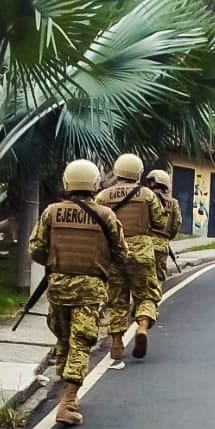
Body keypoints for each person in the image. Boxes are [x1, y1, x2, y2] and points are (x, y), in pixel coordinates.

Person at [29, 160, 127, 427]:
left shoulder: (52, 212)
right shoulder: (105, 215)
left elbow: (36, 249)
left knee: (64, 340)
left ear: (67, 183)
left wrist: (56, 264)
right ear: (95, 184)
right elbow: (121, 252)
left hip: (58, 287)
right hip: (89, 289)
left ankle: (65, 389)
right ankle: (68, 401)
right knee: (81, 342)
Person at [96, 153, 167, 361]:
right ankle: (142, 326)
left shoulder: (104, 196)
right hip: (142, 251)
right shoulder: (147, 195)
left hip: (115, 252)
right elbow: (160, 222)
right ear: (138, 172)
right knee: (146, 295)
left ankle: (117, 344)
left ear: (117, 171)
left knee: (116, 299)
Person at [147, 169, 182, 284]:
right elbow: (176, 223)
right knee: (158, 280)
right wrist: (167, 237)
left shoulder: (145, 199)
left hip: (144, 243)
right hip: (162, 245)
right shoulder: (173, 203)